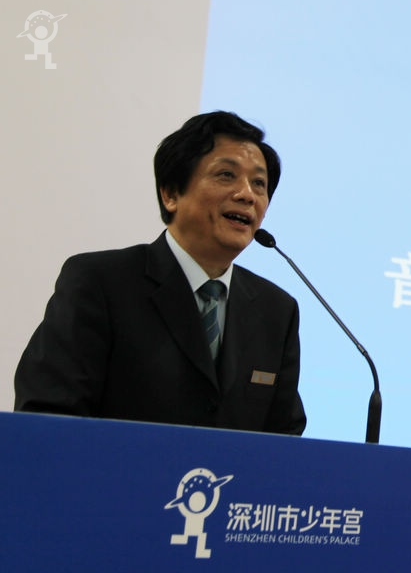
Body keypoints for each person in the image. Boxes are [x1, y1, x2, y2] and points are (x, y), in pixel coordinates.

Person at [14, 111, 306, 435]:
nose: (247, 194)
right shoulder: (99, 283)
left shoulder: (276, 311)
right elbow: (47, 416)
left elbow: (285, 440)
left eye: (259, 183)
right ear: (170, 194)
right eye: (226, 175)